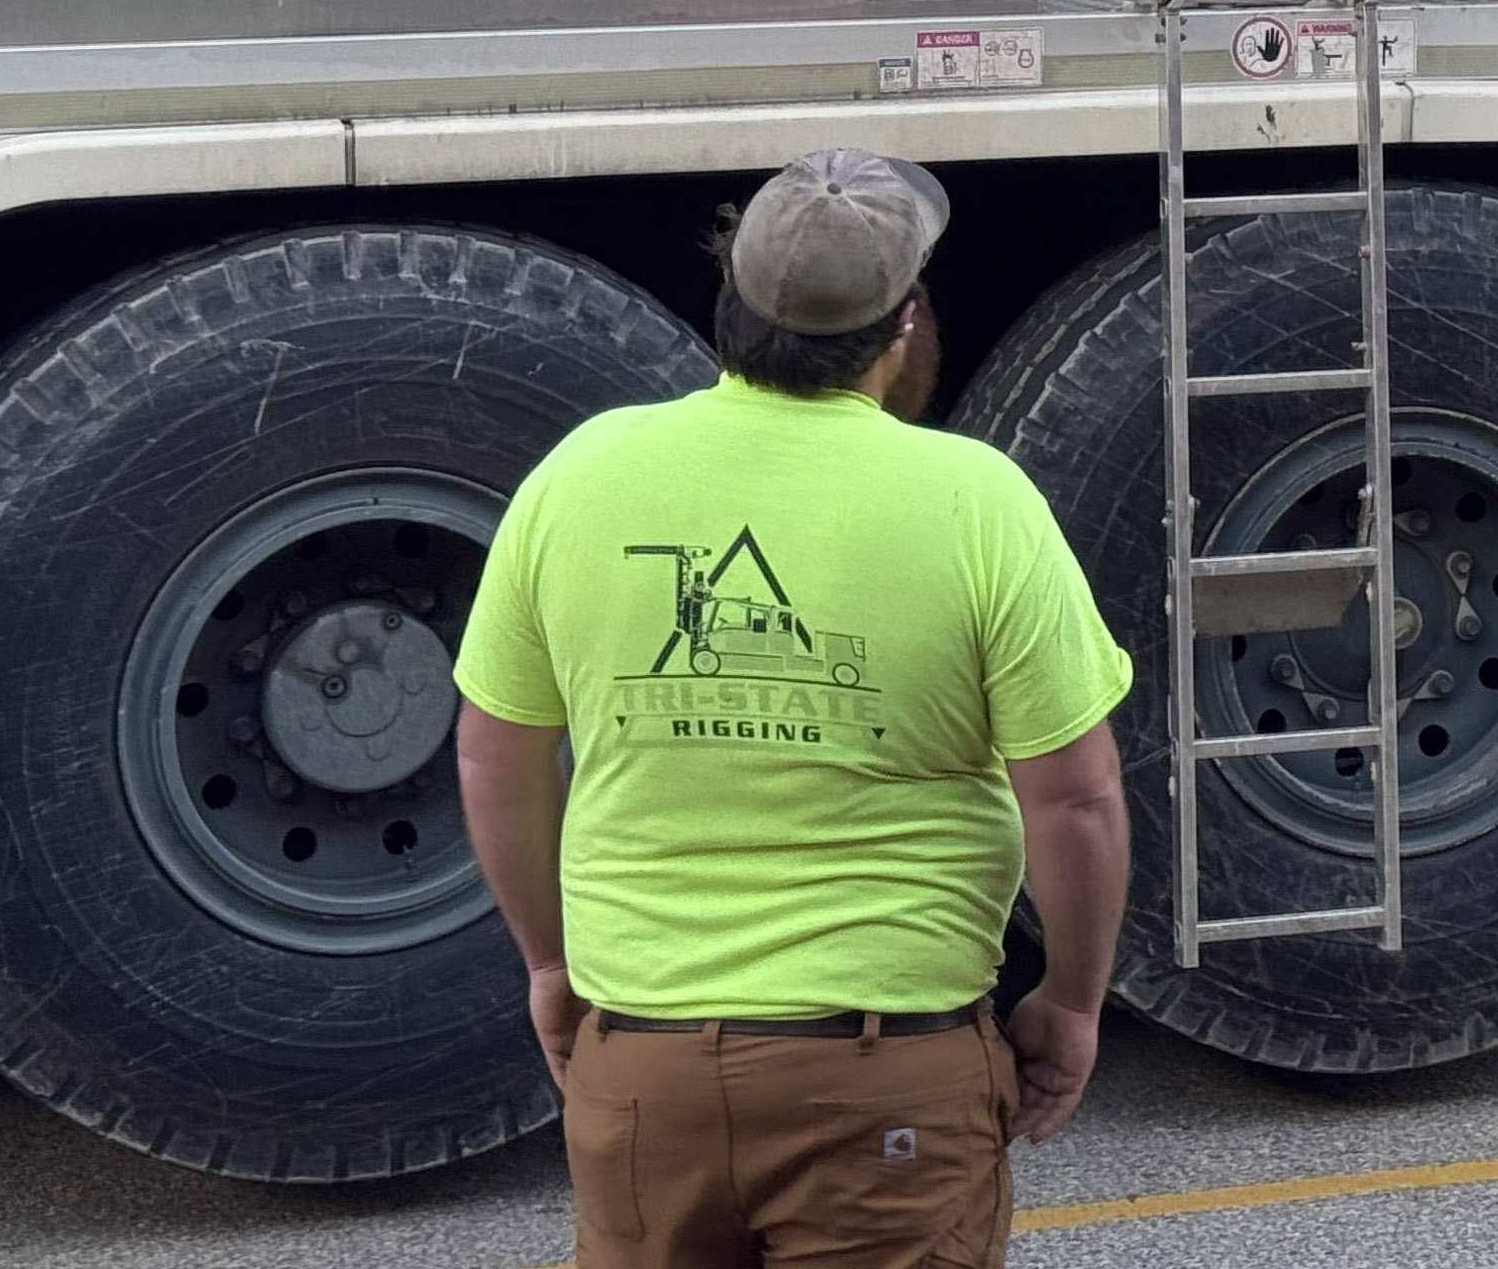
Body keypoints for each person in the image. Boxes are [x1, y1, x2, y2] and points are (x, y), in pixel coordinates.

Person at [454, 148, 1134, 1269]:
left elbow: (495, 755)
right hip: (886, 1084)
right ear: (903, 324)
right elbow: (1075, 800)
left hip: (644, 1074)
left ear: (728, 297)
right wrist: (1069, 1002)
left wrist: (549, 966)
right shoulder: (975, 500)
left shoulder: (580, 475)